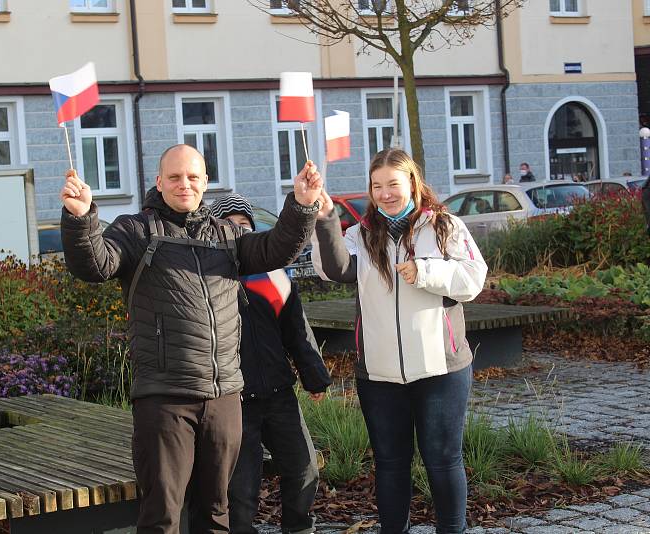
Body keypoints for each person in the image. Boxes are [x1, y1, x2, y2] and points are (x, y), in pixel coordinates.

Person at [59, 144, 323, 534]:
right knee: (163, 514)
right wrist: (81, 219)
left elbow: (275, 248)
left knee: (217, 512)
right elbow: (95, 264)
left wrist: (301, 205)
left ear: (205, 183)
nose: (185, 184)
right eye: (176, 177)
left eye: (193, 177)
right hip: (165, 398)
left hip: (223, 397)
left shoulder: (227, 235)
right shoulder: (136, 230)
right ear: (159, 182)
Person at [310, 148, 487, 534]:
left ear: (412, 182)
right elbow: (331, 269)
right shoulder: (359, 234)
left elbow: (474, 279)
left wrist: (425, 272)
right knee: (390, 464)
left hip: (441, 368)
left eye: (394, 183)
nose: (386, 193)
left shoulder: (444, 226)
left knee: (443, 461)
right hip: (379, 374)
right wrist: (325, 219)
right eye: (377, 186)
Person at [209, 193, 332, 534]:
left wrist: (315, 377)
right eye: (228, 226)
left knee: (303, 469)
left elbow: (297, 330)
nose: (237, 232)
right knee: (241, 488)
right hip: (234, 401)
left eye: (244, 226)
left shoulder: (272, 276)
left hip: (279, 394)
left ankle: (299, 527)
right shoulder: (209, 279)